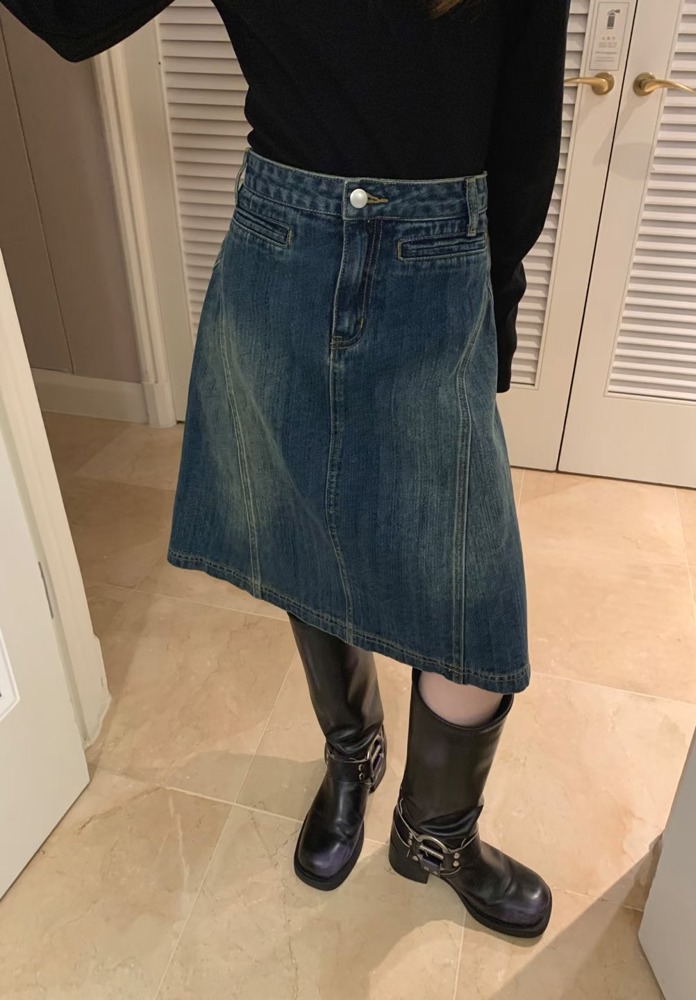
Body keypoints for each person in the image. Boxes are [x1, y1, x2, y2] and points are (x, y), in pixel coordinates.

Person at [3, 0, 569, 938]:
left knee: (469, 594)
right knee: (307, 534)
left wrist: (492, 305)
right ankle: (352, 757)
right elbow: (75, 19)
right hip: (282, 245)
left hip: (438, 259)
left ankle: (437, 835)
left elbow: (524, 128)